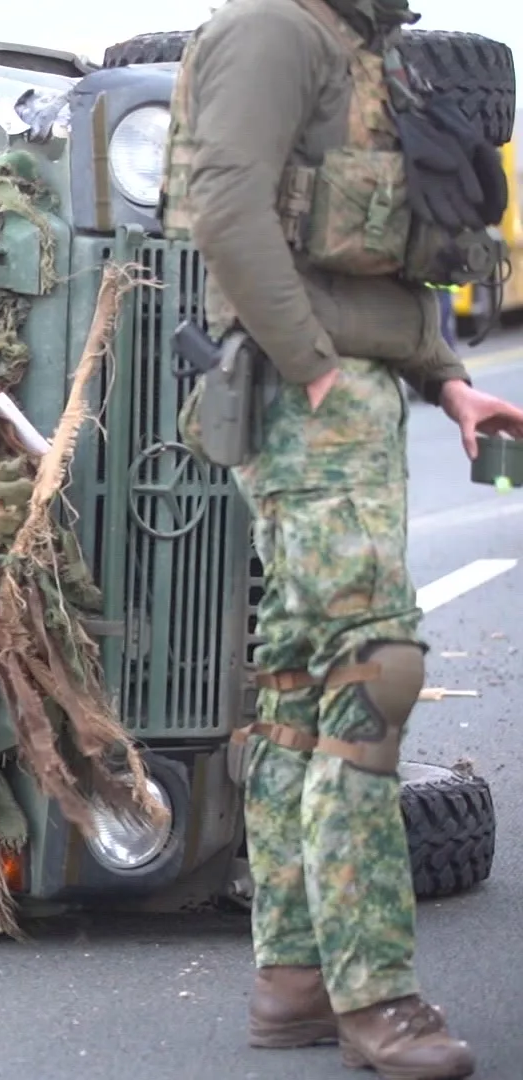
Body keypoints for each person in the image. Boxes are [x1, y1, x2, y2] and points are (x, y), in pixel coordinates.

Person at [162, 0, 523, 1076]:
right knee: (376, 667)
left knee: (299, 689)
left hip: (349, 392)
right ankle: (379, 997)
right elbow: (227, 209)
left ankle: (297, 983)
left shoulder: (355, 45)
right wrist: (314, 370)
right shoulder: (276, 31)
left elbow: (374, 266)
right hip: (306, 401)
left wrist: (451, 383)